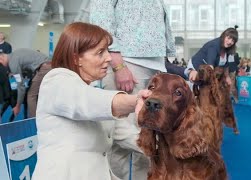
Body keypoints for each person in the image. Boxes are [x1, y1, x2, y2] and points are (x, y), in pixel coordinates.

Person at [32, 22, 151, 180]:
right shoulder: (56, 81)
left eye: (107, 51)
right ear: (76, 58)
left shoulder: (94, 93)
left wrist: (170, 147)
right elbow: (87, 101)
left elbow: (130, 136)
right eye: (100, 52)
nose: (109, 58)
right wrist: (136, 101)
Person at [90, 1, 176, 179]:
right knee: (120, 137)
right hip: (128, 61)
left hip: (155, 64)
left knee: (148, 132)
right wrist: (118, 65)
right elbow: (101, 15)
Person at [0, 49, 51, 118]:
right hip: (49, 64)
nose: (2, 66)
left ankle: (33, 121)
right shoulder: (15, 53)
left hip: (44, 68)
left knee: (30, 95)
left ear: (1, 58)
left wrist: (18, 106)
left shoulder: (12, 64)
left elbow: (21, 87)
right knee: (35, 89)